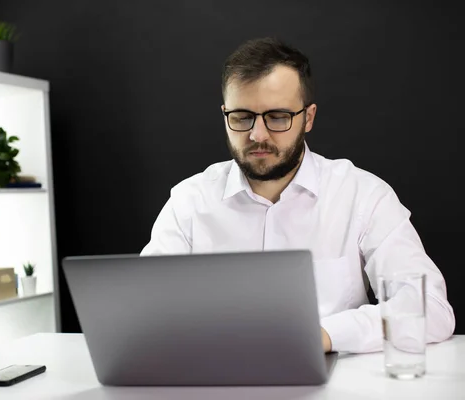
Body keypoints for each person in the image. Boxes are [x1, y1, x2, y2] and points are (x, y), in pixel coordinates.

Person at [140, 37, 455, 353]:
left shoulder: (363, 195)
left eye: (277, 117)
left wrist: (325, 335)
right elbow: (143, 308)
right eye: (241, 117)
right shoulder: (189, 201)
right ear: (225, 115)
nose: (257, 135)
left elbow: (430, 308)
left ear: (308, 117)